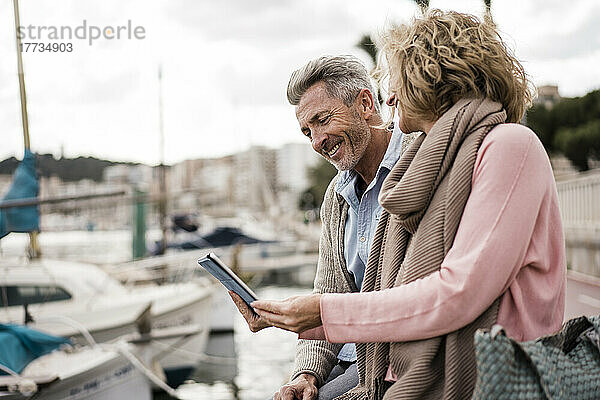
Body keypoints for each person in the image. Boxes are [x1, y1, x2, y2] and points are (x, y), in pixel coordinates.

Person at [246, 10, 567, 400]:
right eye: (306, 130)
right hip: (393, 360)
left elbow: (457, 292)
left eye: (397, 82)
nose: (391, 96)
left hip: (496, 369)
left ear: (432, 78)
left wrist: (322, 313)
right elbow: (337, 292)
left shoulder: (507, 146)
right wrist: (305, 366)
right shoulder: (414, 172)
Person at [229, 55, 417, 399]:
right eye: (307, 131)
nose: (316, 141)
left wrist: (315, 312)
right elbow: (328, 292)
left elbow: (417, 298)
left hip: (389, 360)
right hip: (346, 358)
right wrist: (306, 375)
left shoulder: (417, 165)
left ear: (364, 103)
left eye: (322, 120)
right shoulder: (336, 198)